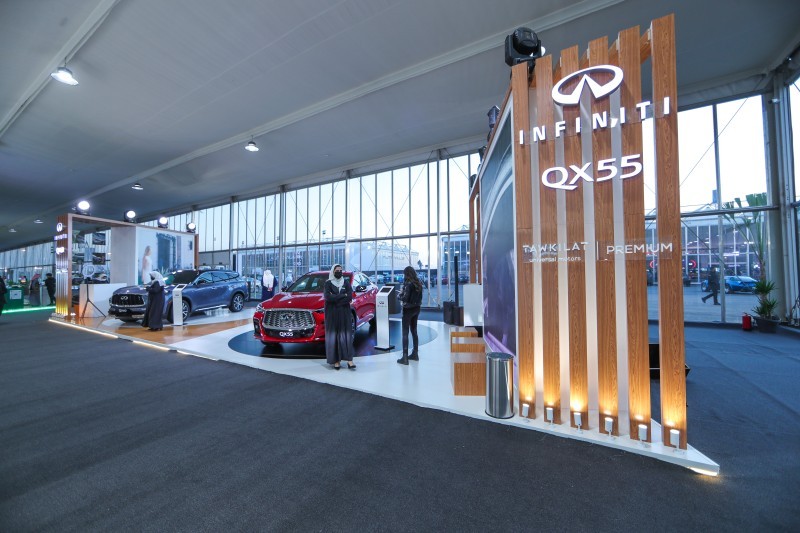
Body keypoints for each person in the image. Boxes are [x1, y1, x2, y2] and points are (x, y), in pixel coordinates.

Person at [324, 264, 355, 370]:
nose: (339, 272)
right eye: (337, 270)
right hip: (332, 313)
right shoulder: (328, 283)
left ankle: (350, 360)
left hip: (344, 312)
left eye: (340, 270)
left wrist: (336, 298)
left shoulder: (346, 282)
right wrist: (343, 295)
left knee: (346, 335)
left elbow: (349, 297)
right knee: (334, 336)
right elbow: (328, 297)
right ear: (333, 271)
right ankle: (336, 361)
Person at [397, 265, 423, 365]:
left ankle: (405, 357)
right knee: (414, 331)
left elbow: (405, 298)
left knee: (405, 333)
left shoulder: (408, 284)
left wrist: (399, 296)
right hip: (417, 309)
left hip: (408, 310)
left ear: (407, 274)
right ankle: (415, 354)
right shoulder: (418, 283)